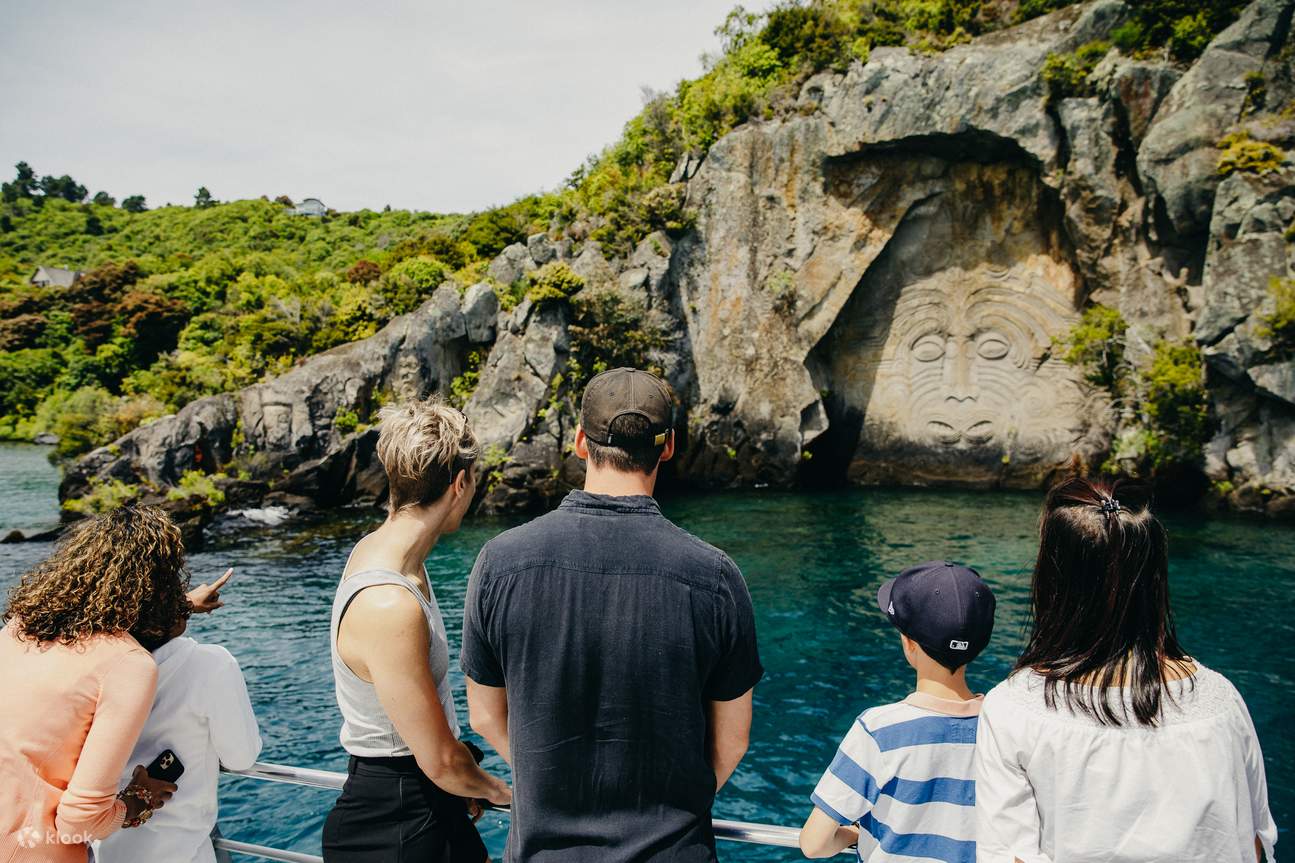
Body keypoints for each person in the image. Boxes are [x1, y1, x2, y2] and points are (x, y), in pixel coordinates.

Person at [461, 367, 764, 862]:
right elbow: (733, 741)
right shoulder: (715, 577)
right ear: (667, 448)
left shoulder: (500, 562)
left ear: (581, 442)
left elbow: (483, 715)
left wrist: (549, 778)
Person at [974, 476, 1279, 862]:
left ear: (1054, 580)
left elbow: (1008, 856)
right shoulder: (1221, 700)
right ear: (1154, 579)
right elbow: (1253, 843)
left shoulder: (1016, 710)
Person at [323, 397, 511, 863]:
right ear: (461, 483)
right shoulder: (389, 602)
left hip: (420, 805)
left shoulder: (383, 554)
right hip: (394, 826)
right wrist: (511, 794)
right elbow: (442, 761)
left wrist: (459, 784)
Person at [0, 505, 224, 862]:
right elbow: (79, 821)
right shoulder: (127, 666)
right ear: (158, 587)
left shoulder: (19, 629)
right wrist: (136, 801)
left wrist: (183, 607)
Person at [800, 561, 995, 862]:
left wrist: (853, 834)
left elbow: (814, 844)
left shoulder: (879, 730)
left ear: (908, 642)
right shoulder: (1003, 727)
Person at [94, 568, 262, 863]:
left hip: (105, 849)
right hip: (182, 852)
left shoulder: (90, 663)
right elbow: (241, 758)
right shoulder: (211, 665)